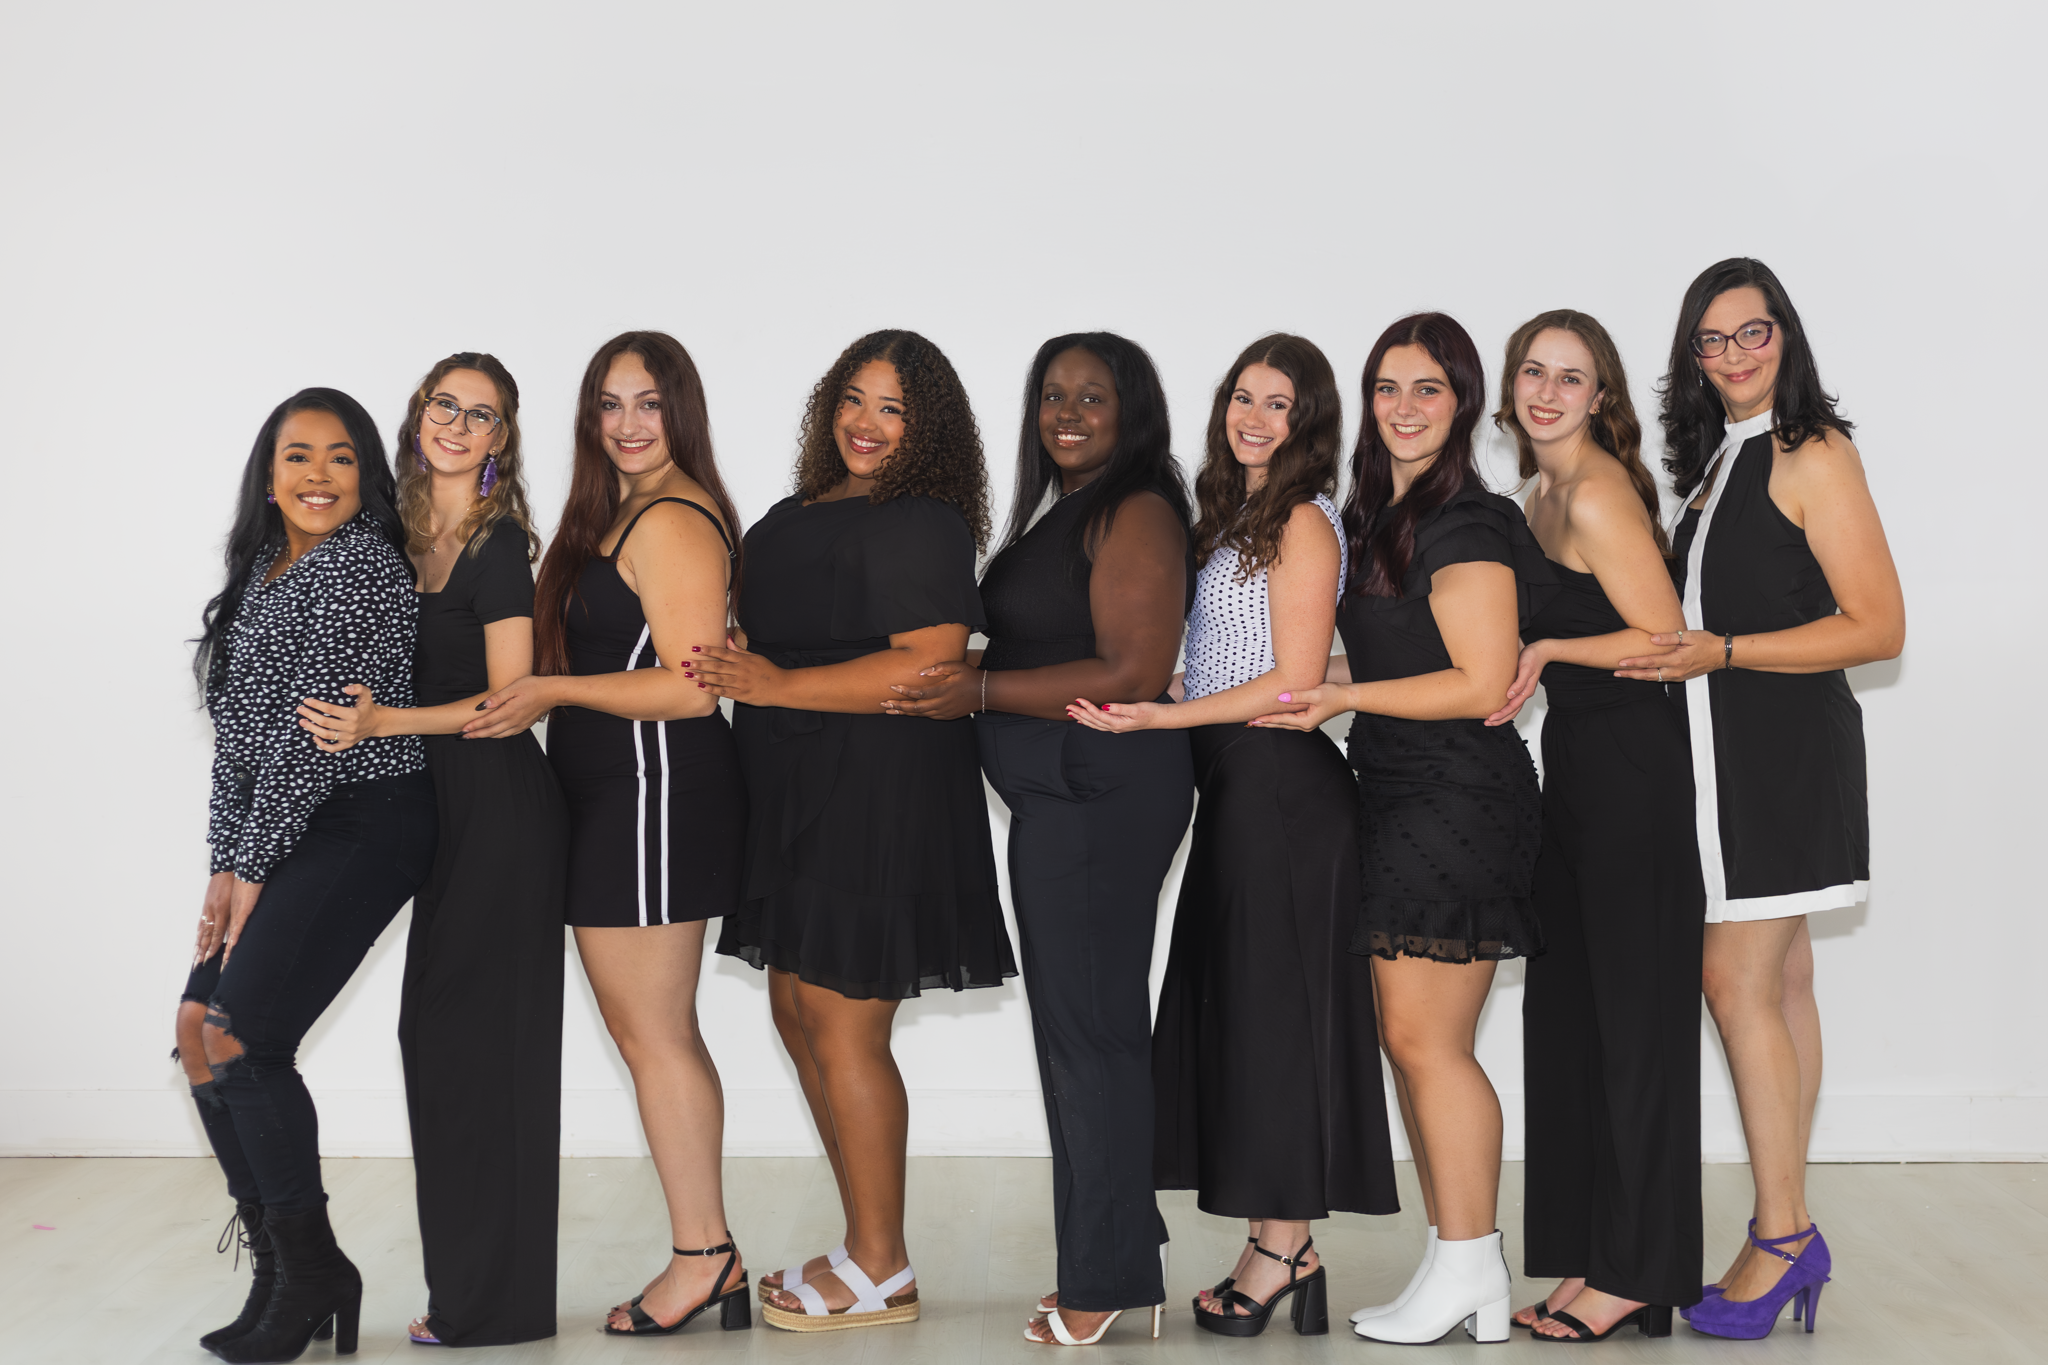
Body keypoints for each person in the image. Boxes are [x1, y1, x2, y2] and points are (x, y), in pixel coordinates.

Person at [1068, 333, 1397, 1339]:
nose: (1251, 419)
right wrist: (1153, 690)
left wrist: (1167, 718)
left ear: (1308, 423)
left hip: (1283, 797)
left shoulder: (1299, 519)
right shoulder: (1239, 520)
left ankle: (1284, 1249)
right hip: (1240, 791)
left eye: (1276, 405)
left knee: (1276, 1029)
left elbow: (1293, 677)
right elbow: (1223, 661)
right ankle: (1275, 1241)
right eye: (1240, 399)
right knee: (1248, 1026)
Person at [695, 329, 1014, 1334]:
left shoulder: (922, 520)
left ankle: (882, 1264)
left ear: (928, 433)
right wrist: (754, 658)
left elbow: (925, 663)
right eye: (853, 400)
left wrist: (781, 682)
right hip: (787, 781)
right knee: (795, 1013)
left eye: (892, 410)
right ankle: (860, 1240)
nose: (865, 425)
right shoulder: (797, 510)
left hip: (876, 785)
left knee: (843, 1025)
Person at [886, 332, 1196, 1346]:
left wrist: (973, 692)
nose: (1065, 412)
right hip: (1067, 805)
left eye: (1091, 396)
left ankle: (1103, 1280)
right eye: (1050, 395)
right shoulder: (1067, 513)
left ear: (1131, 409)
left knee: (1090, 1040)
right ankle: (1116, 1260)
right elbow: (1048, 643)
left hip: (1100, 802)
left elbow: (1132, 671)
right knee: (1080, 1035)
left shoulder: (1136, 509)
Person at [1254, 312, 1553, 1346]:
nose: (1402, 407)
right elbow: (1387, 666)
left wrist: (1339, 703)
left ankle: (1471, 1268)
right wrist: (1262, 687)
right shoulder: (1380, 510)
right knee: (1415, 1043)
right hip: (1396, 792)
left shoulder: (1461, 520)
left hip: (1456, 801)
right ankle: (1458, 1261)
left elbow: (1475, 682)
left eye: (1426, 388)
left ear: (1461, 403)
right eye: (1386, 387)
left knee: (1427, 1043)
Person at [1625, 259, 1902, 1340]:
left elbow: (1876, 626)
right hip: (1729, 756)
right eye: (1712, 341)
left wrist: (1723, 650)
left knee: (1733, 976)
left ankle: (1781, 1236)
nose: (1736, 355)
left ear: (1785, 335)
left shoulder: (1811, 452)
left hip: (1779, 758)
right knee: (1779, 979)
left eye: (1753, 333)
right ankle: (1788, 1228)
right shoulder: (1715, 463)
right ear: (1690, 359)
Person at [465, 332, 752, 1338]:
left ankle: (703, 1257)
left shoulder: (670, 518)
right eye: (607, 404)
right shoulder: (621, 511)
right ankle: (705, 1251)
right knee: (648, 1034)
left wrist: (548, 689)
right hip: (610, 792)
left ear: (682, 412)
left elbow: (687, 686)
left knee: (654, 1033)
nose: (626, 425)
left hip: (651, 789)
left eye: (648, 403)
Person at [295, 353, 568, 1346]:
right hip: (430, 812)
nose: (457, 423)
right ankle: (477, 1295)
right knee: (442, 1048)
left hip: (499, 815)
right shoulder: (389, 532)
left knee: (481, 1055)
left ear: (501, 440)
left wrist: (382, 725)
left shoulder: (500, 548)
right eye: (445, 404)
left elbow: (508, 704)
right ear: (419, 415)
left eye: (481, 414)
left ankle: (490, 1306)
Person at [175, 388, 435, 1363]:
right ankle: (292, 1269)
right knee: (200, 1036)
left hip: (365, 821)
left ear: (365, 473)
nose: (317, 476)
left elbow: (314, 735)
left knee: (242, 1036)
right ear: (268, 472)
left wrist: (252, 869)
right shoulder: (259, 568)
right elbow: (238, 741)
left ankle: (311, 1274)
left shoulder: (364, 566)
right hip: (287, 827)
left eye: (338, 457)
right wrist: (223, 866)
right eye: (296, 456)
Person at [1482, 312, 1702, 1342]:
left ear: (1600, 397)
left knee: (1633, 1030)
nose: (1546, 392)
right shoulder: (1536, 492)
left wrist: (1551, 655)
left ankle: (1639, 1271)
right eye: (1533, 371)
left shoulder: (1599, 490)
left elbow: (1666, 639)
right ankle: (1586, 1257)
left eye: (1570, 378)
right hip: (1571, 768)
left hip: (1628, 775)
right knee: (1569, 1021)